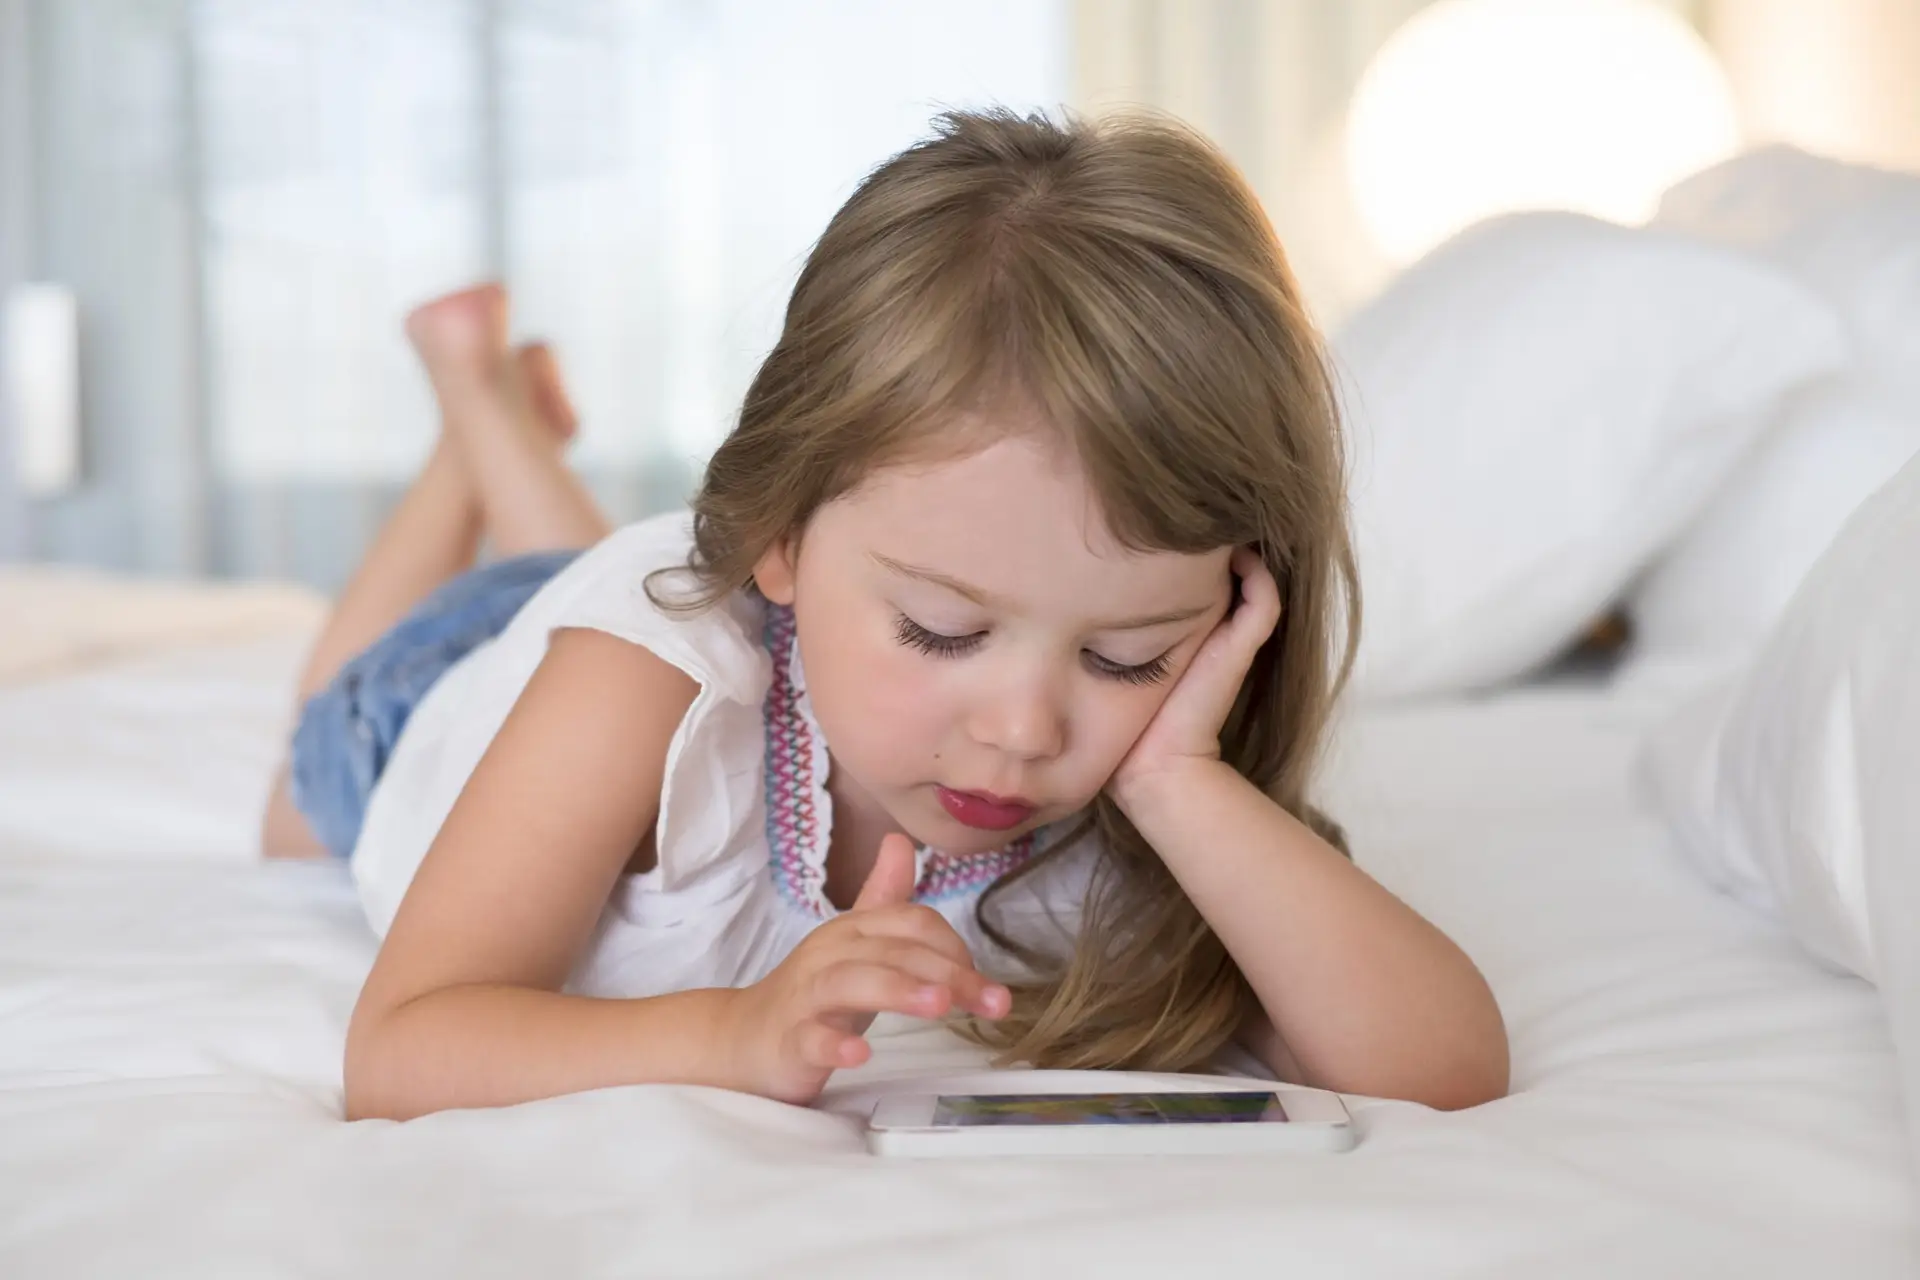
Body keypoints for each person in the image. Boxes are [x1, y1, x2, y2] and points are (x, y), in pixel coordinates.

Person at [262, 109, 1510, 1123]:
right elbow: (402, 1051)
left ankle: (507, 428)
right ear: (779, 538)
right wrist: (733, 1033)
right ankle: (475, 418)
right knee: (299, 807)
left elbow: (1442, 1070)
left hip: (620, 583)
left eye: (1129, 652)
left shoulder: (1134, 780)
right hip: (443, 694)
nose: (1026, 729)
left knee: (582, 567)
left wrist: (1182, 780)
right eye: (942, 631)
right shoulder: (649, 678)